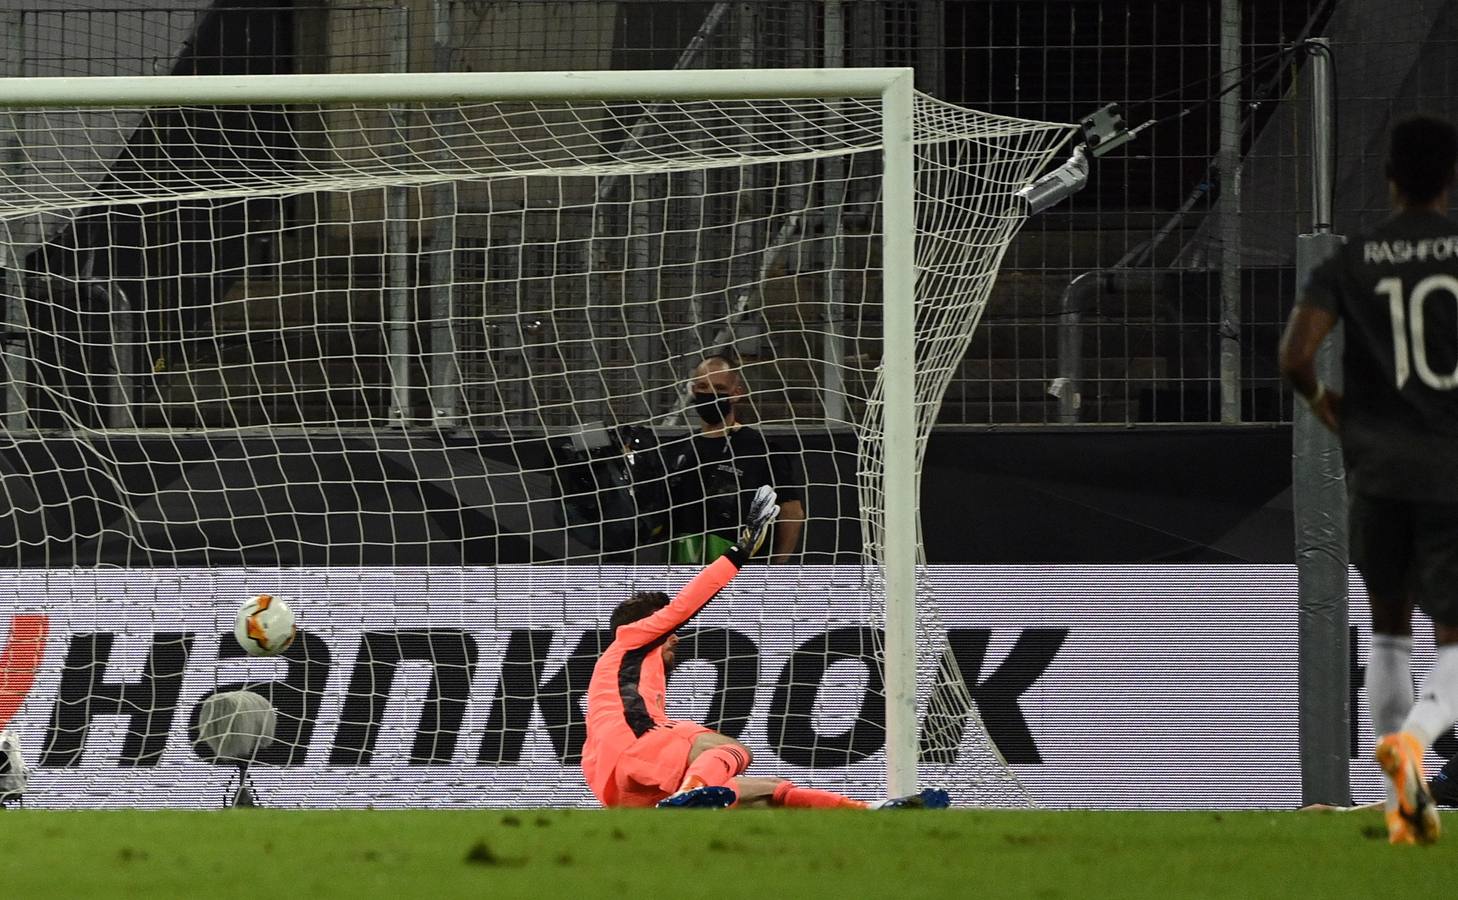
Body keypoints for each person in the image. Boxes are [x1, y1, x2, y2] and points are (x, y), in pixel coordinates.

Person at [1279, 114, 1458, 845]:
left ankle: (1409, 806)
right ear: (1449, 179)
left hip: (1378, 469)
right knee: (1452, 638)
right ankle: (1418, 739)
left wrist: (1335, 415)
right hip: (1450, 470)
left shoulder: (1348, 262)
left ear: (1390, 176)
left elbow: (1296, 355)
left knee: (1388, 633)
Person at [580, 484, 949, 810]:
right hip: (633, 747)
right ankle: (692, 790)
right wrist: (739, 553)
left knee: (770, 793)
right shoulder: (630, 638)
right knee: (733, 750)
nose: (675, 635)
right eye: (666, 630)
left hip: (620, 784)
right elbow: (684, 605)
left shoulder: (631, 683)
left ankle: (870, 813)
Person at [664, 355, 806, 564]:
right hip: (683, 568)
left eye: (719, 389)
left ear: (736, 393)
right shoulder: (678, 449)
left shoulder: (761, 449)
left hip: (742, 571)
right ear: (693, 390)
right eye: (703, 387)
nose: (710, 394)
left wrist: (777, 566)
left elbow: (792, 512)